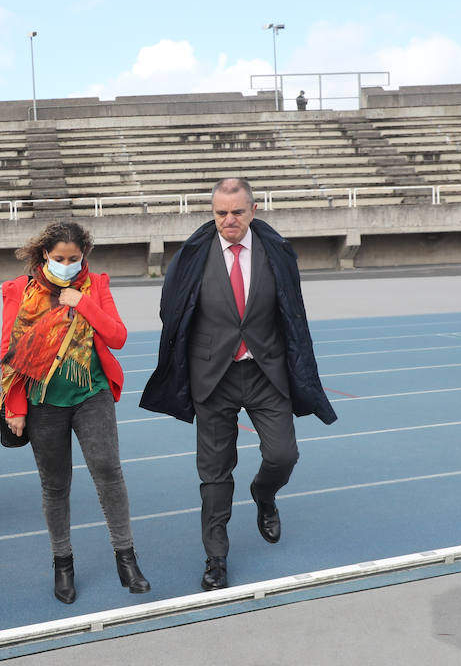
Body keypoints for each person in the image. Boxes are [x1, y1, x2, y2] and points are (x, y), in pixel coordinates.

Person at [139, 177, 336, 592]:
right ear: (213, 213)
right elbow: (171, 311)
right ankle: (216, 558)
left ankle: (264, 495)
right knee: (214, 474)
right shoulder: (192, 256)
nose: (229, 220)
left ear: (253, 209)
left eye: (237, 212)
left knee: (283, 455)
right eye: (221, 213)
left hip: (266, 373)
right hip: (213, 378)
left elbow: (293, 312)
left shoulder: (276, 252)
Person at [0, 220, 150, 604]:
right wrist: (14, 406)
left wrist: (82, 302)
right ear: (45, 255)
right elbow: (9, 352)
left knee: (107, 470)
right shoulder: (19, 290)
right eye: (60, 258)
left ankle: (126, 557)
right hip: (42, 400)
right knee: (55, 484)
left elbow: (117, 336)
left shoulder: (95, 285)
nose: (67, 265)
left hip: (90, 392)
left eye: (75, 259)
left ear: (84, 257)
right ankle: (62, 563)